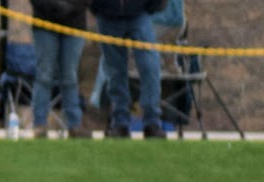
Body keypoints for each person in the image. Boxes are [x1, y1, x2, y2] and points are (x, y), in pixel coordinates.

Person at [90, 0, 166, 138]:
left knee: (150, 67)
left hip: (139, 13)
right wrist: (95, 6)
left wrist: (153, 4)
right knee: (115, 72)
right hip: (107, 15)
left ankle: (152, 121)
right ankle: (120, 122)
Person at [30, 0, 89, 137]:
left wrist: (71, 7)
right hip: (45, 24)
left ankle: (74, 125)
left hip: (75, 24)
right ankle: (39, 125)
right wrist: (56, 6)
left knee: (70, 77)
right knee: (44, 76)